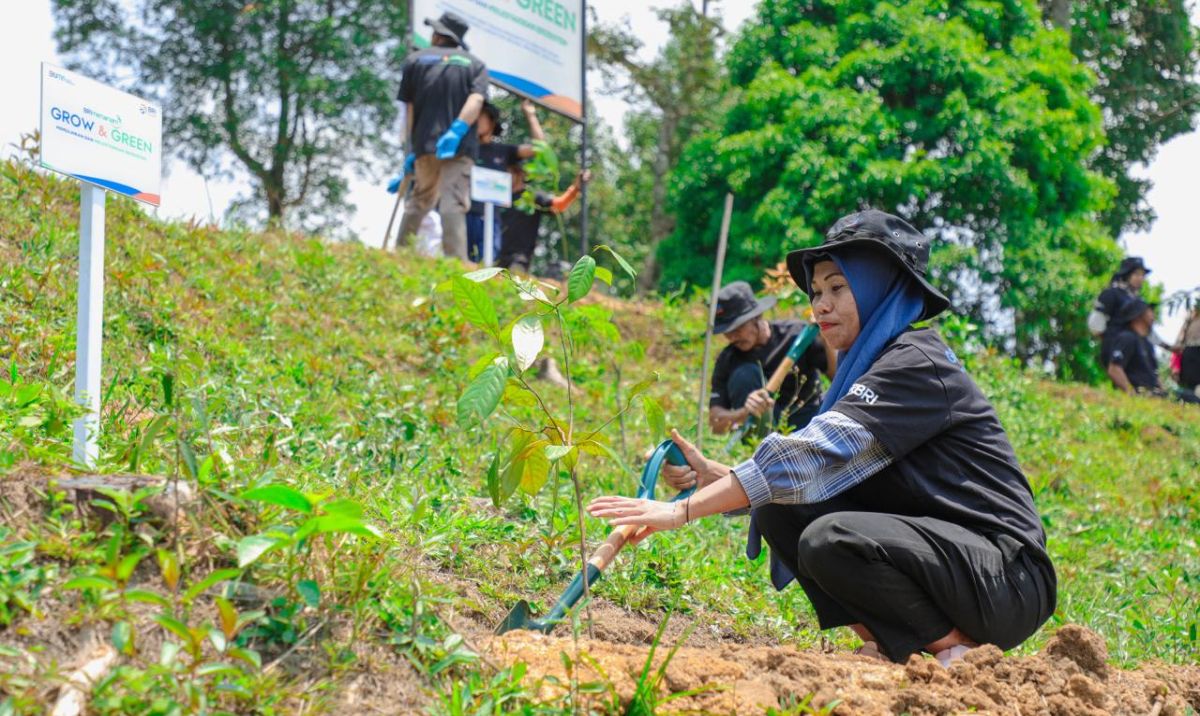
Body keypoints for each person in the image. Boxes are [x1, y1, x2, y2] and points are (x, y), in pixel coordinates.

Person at [589, 209, 1056, 667]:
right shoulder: (870, 366)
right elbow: (814, 475)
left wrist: (681, 511)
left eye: (838, 287)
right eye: (816, 291)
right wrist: (715, 478)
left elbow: (813, 455)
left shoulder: (915, 362)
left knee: (833, 537)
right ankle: (896, 643)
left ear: (881, 289)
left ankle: (957, 650)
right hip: (951, 564)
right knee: (779, 510)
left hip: (1006, 576)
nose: (820, 306)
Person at [394, 12, 489, 260]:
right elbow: (477, 99)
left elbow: (409, 109)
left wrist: (411, 149)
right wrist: (457, 129)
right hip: (459, 146)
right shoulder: (475, 65)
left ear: (437, 35)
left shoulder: (415, 61)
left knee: (420, 199)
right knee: (453, 202)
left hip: (425, 144)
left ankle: (400, 255)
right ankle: (454, 263)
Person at [708, 281, 835, 436]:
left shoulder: (797, 336)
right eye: (727, 332)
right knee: (744, 374)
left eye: (738, 328)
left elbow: (837, 377)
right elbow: (715, 424)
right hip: (761, 439)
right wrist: (745, 412)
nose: (733, 337)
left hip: (808, 424)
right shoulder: (728, 359)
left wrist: (826, 339)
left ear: (756, 317)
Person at [466, 99, 545, 262]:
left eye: (481, 116)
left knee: (487, 260)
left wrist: (530, 115)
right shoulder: (465, 148)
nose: (476, 120)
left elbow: (539, 148)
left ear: (492, 122)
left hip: (490, 217)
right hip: (465, 214)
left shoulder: (503, 151)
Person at [498, 161, 589, 274]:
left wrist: (576, 188)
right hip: (496, 254)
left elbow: (559, 205)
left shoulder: (533, 196)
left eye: (510, 172)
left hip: (519, 257)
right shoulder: (500, 197)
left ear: (520, 174)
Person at [1104, 298, 1161, 395]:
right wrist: (1131, 393)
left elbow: (1155, 374)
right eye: (1149, 310)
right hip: (1141, 394)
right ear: (1138, 315)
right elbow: (1114, 369)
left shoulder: (1148, 344)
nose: (1153, 314)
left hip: (1154, 394)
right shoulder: (1127, 338)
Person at [1088, 256, 1150, 339]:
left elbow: (1145, 330)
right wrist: (1112, 342)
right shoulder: (1112, 293)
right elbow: (1095, 325)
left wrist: (1167, 346)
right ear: (1126, 275)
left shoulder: (1139, 301)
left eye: (1142, 275)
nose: (1141, 278)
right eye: (1137, 274)